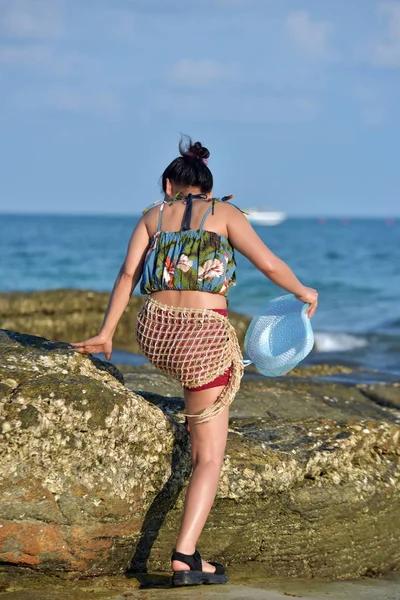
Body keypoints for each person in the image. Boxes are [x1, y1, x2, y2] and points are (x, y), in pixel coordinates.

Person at [70, 136, 318, 587]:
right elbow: (269, 263)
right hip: (201, 337)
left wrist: (106, 333)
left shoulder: (152, 216)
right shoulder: (226, 215)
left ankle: (192, 412)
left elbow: (127, 275)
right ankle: (186, 556)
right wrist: (304, 292)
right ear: (208, 187)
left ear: (169, 185)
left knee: (194, 385)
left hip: (155, 331)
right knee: (209, 457)